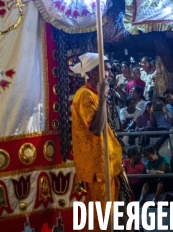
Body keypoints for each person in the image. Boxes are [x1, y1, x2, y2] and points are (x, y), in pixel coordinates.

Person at [70, 53, 123, 225]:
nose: (110, 74)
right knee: (100, 222)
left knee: (109, 219)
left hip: (106, 166)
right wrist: (102, 99)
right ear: (93, 73)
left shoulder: (94, 94)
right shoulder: (85, 95)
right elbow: (95, 128)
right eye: (106, 70)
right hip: (97, 170)